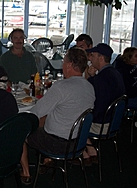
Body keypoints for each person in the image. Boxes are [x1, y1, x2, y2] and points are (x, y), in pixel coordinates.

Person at [20, 47, 95, 185]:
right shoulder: (89, 87)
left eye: (64, 61)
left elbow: (36, 112)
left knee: (21, 131)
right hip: (78, 142)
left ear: (70, 65)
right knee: (47, 120)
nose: (62, 65)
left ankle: (26, 172)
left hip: (58, 144)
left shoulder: (61, 87)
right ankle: (47, 160)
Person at [84, 43, 125, 159]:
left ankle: (84, 151)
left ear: (101, 58)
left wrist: (91, 77)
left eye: (93, 56)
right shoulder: (115, 73)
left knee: (73, 119)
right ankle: (88, 149)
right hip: (114, 122)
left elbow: (98, 108)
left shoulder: (101, 79)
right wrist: (92, 77)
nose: (90, 59)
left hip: (102, 124)